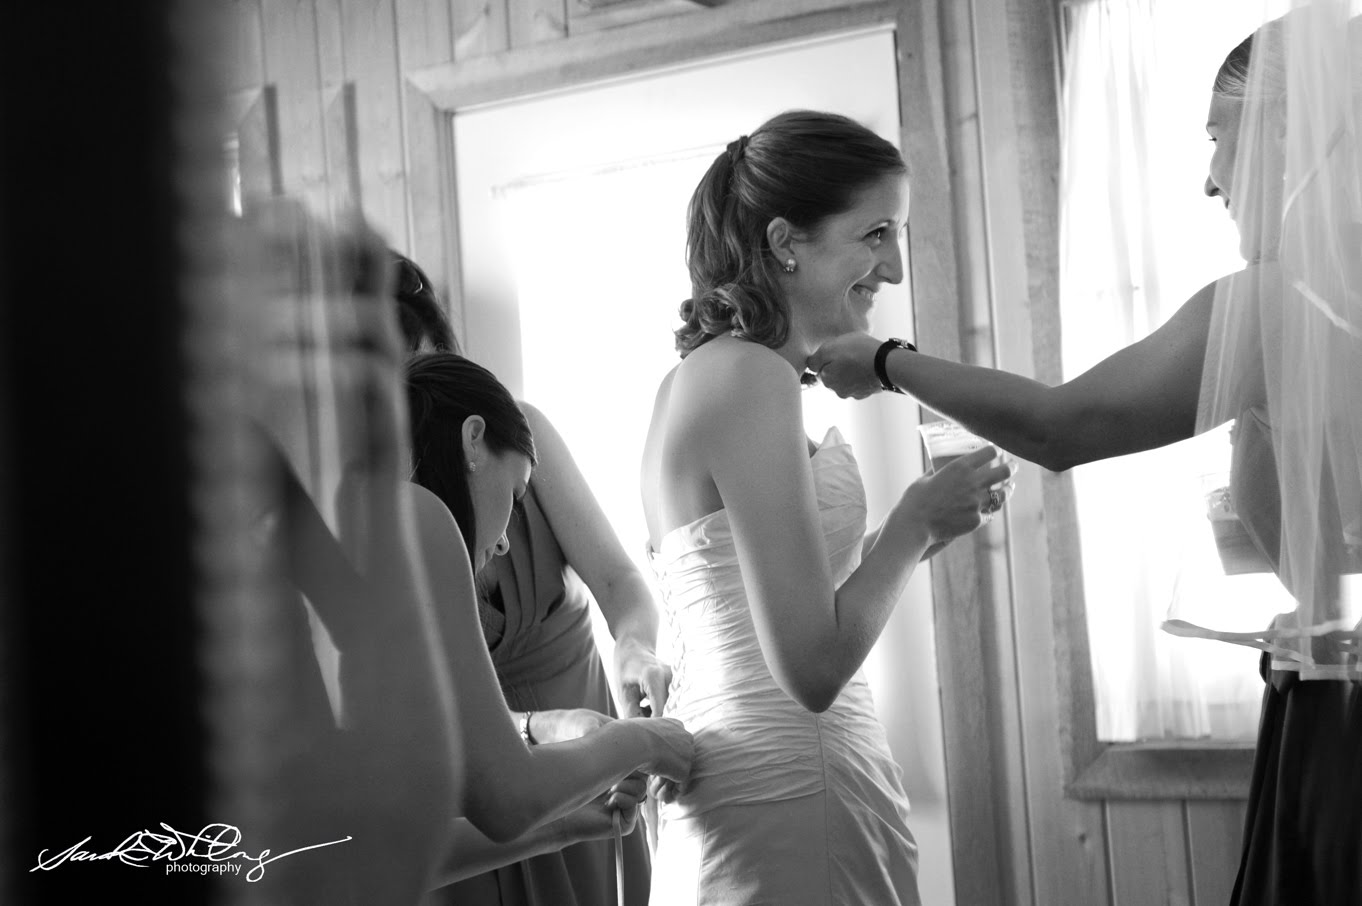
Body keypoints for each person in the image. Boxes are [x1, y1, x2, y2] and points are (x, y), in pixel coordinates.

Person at [811, 10, 1362, 904]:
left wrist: (886, 361)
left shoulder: (1276, 305)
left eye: (1217, 137)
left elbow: (1059, 427)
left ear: (1285, 133)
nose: (1211, 180)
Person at [640, 110, 1015, 905]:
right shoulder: (750, 377)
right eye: (876, 234)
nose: (895, 269)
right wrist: (913, 522)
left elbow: (759, 603)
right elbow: (811, 668)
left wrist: (925, 528)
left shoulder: (703, 378)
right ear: (785, 242)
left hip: (753, 777)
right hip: (789, 786)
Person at [390, 254, 666, 904]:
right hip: (476, 795)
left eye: (421, 372)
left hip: (585, 761)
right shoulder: (391, 524)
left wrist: (634, 647)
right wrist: (543, 728)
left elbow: (618, 578)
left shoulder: (520, 439)